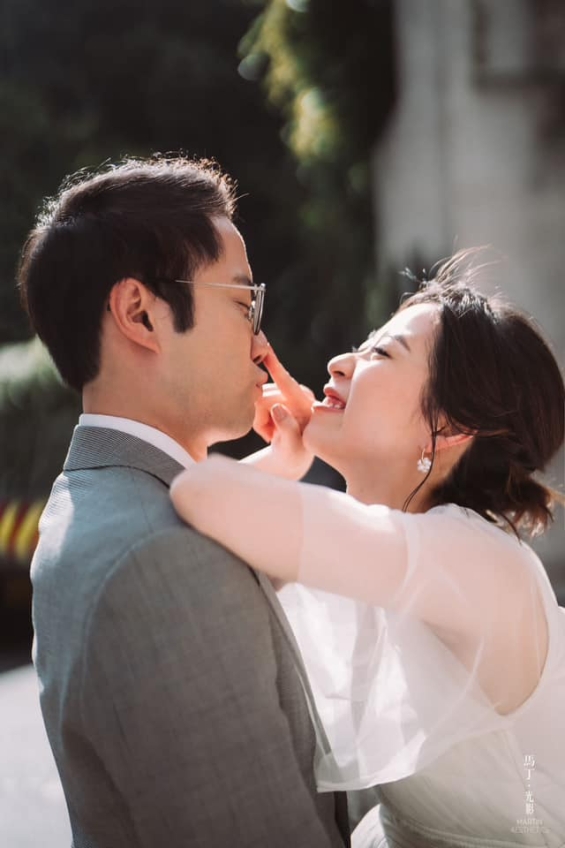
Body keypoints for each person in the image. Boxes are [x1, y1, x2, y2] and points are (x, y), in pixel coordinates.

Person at [171, 252, 565, 847]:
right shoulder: (374, 553)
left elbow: (200, 492)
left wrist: (288, 462)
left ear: (449, 426)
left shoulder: (479, 561)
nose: (339, 363)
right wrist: (286, 460)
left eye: (381, 354)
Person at [18, 156, 350, 847]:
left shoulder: (92, 499)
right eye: (243, 303)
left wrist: (278, 468)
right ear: (140, 314)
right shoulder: (159, 563)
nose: (260, 342)